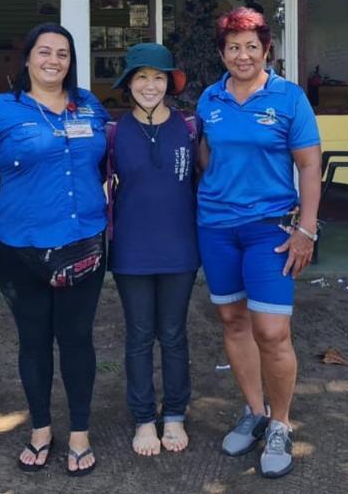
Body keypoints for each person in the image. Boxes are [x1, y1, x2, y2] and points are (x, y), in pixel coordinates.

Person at [0, 23, 109, 477]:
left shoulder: (89, 106)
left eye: (62, 53)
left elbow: (110, 160)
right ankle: (41, 429)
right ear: (26, 59)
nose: (53, 61)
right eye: (44, 52)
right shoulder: (1, 112)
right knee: (34, 340)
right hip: (19, 248)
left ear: (71, 61)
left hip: (84, 241)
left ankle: (79, 433)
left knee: (78, 339)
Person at [195, 7, 322, 479]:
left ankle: (282, 424)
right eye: (233, 47)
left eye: (251, 46)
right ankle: (254, 411)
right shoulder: (209, 99)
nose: (242, 55)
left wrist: (306, 229)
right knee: (232, 320)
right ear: (222, 52)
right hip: (216, 227)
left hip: (271, 228)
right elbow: (207, 157)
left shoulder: (290, 99)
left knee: (271, 331)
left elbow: (310, 166)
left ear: (266, 49)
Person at [106, 43, 200, 458]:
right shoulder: (113, 133)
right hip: (131, 251)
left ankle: (175, 412)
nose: (150, 85)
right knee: (140, 336)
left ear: (170, 83)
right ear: (128, 83)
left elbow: (213, 177)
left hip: (180, 248)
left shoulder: (191, 128)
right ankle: (144, 417)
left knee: (175, 335)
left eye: (158, 77)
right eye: (141, 77)